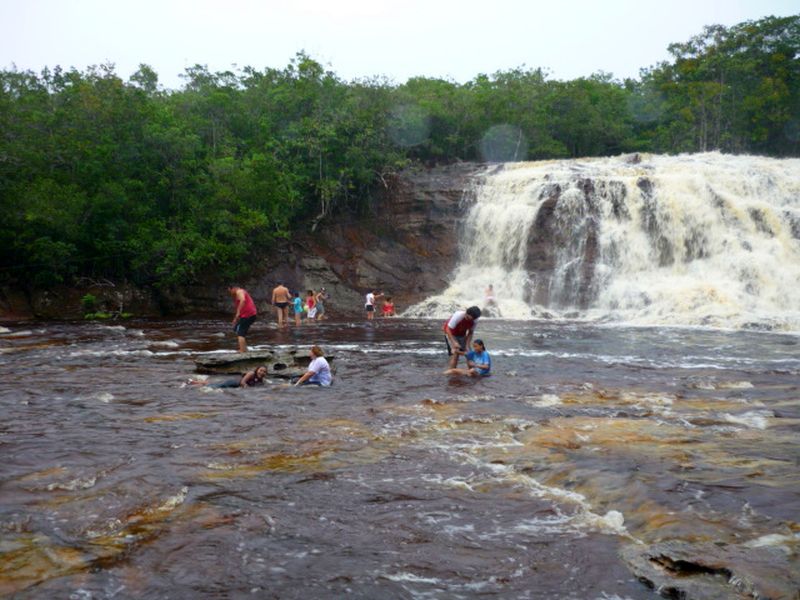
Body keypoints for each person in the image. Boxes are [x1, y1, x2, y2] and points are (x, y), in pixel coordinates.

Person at [229, 286, 257, 353]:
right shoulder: (241, 291)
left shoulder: (239, 291)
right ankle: (244, 349)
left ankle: (242, 350)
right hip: (250, 314)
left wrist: (238, 312)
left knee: (240, 333)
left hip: (248, 315)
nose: (230, 293)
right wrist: (236, 318)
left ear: (233, 288)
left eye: (230, 290)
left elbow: (243, 300)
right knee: (237, 329)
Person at [191, 365, 268, 388]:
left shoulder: (261, 379)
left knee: (214, 383)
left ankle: (192, 382)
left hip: (234, 384)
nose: (262, 372)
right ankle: (192, 384)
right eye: (261, 370)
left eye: (264, 371)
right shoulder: (251, 373)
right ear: (257, 369)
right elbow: (242, 382)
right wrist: (247, 389)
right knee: (213, 386)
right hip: (233, 382)